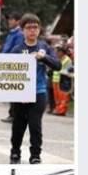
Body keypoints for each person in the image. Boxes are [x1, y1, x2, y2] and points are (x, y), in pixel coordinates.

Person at [9, 14, 61, 164]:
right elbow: (8, 72)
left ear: (39, 29)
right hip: (20, 94)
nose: (32, 30)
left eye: (35, 27)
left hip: (39, 92)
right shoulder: (17, 49)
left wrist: (43, 58)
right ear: (23, 30)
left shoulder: (44, 47)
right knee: (18, 125)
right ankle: (15, 151)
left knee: (35, 125)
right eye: (28, 27)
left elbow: (57, 65)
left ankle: (35, 155)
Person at [0, 12, 23, 123]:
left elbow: (17, 50)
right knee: (11, 91)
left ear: (18, 21)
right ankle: (13, 114)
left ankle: (15, 115)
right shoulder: (11, 34)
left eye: (12, 19)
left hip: (13, 65)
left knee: (15, 91)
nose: (9, 21)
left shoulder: (19, 34)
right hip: (6, 63)